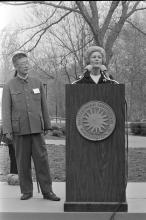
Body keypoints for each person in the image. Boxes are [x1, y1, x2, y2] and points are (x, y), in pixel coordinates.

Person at [2, 52, 60, 201]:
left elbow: (43, 106)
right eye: (22, 64)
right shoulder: (9, 85)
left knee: (42, 160)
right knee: (22, 162)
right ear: (16, 66)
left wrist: (47, 125)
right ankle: (26, 191)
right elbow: (6, 110)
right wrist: (7, 130)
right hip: (19, 130)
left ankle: (48, 191)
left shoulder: (37, 82)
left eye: (27, 62)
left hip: (36, 128)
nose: (26, 65)